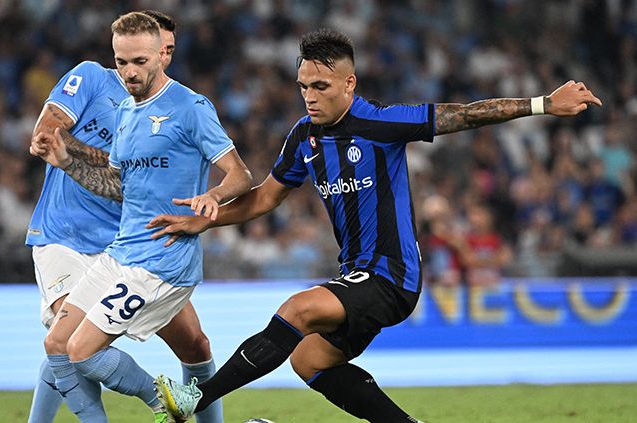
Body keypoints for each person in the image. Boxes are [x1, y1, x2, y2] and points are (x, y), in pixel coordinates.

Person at [149, 28, 602, 422]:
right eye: (303, 85)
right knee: (309, 361)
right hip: (356, 275)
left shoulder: (381, 122)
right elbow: (265, 197)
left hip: (392, 275)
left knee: (298, 310)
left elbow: (464, 114)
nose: (309, 96)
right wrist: (204, 223)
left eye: (320, 86)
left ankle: (195, 398)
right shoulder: (303, 136)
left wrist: (543, 104)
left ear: (349, 84)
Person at [32, 11, 252, 423]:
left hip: (160, 258)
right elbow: (118, 186)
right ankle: (172, 403)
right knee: (58, 343)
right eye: (122, 62)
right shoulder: (128, 115)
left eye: (140, 62)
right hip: (118, 251)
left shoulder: (191, 106)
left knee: (81, 350)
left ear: (162, 55)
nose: (130, 72)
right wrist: (64, 161)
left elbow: (241, 174)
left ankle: (163, 400)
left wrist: (213, 197)